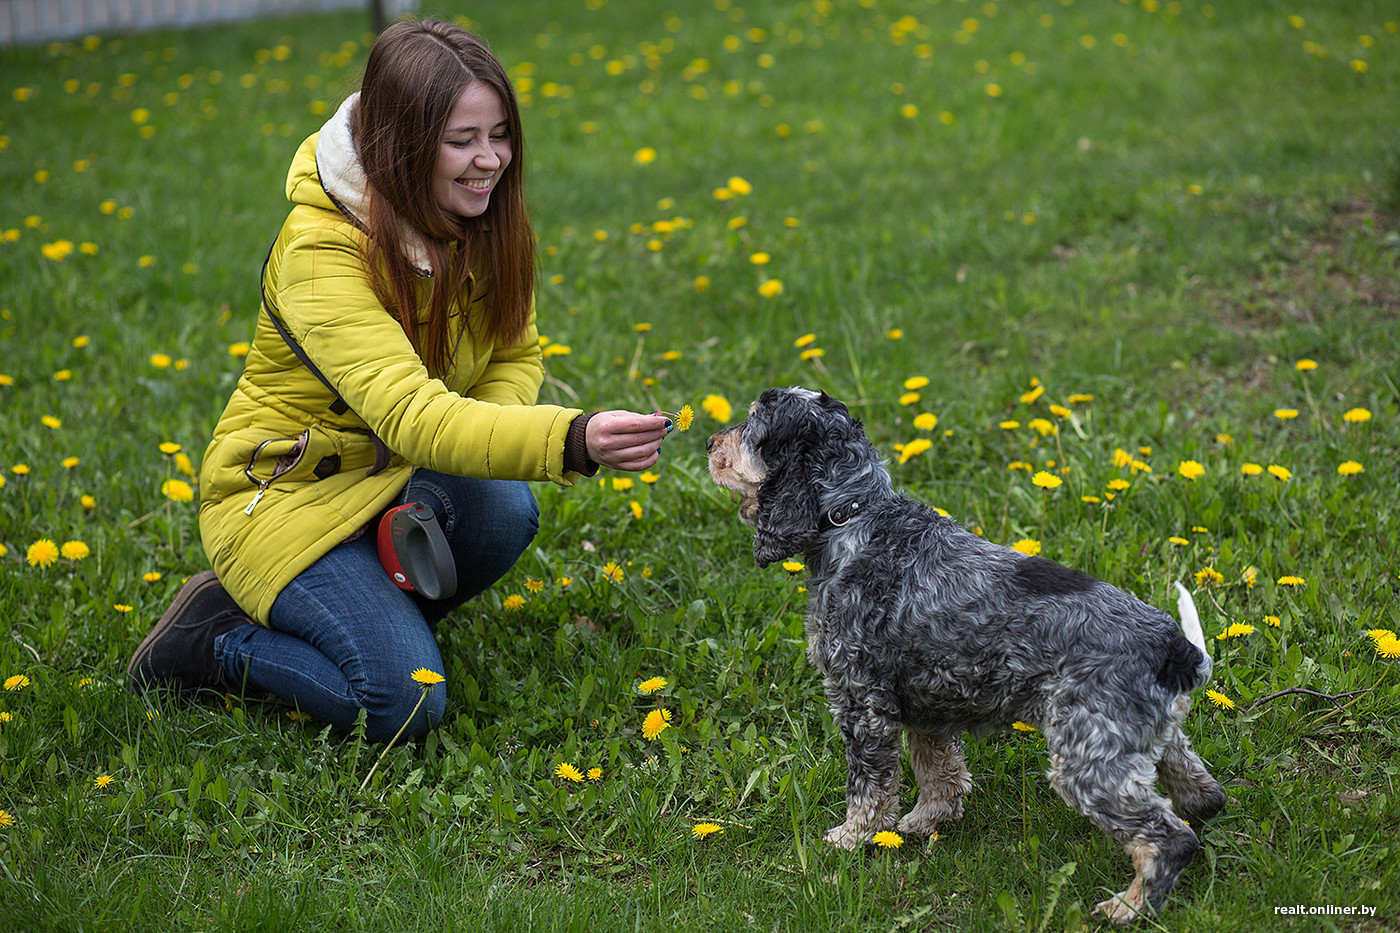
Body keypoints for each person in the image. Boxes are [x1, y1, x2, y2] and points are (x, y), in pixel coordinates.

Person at [127, 19, 671, 742]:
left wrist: (482, 444)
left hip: (389, 478)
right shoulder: (320, 253)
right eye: (462, 140)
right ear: (403, 144)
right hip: (287, 501)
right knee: (403, 703)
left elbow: (515, 356)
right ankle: (215, 639)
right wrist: (571, 439)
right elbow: (416, 418)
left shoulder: (481, 220)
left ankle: (371, 616)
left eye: (501, 133)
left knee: (503, 503)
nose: (491, 161)